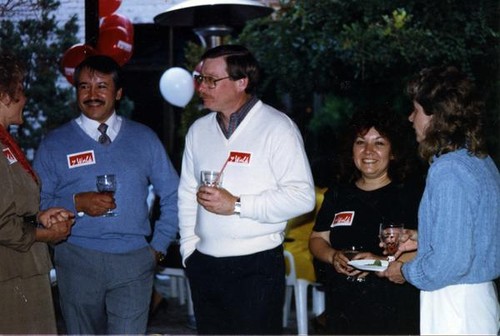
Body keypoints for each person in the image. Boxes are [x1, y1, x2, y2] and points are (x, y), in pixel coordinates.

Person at [33, 55, 179, 334]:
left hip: (134, 260)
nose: (92, 94)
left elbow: (173, 193)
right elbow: (36, 203)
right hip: (76, 258)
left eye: (102, 86)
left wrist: (157, 249)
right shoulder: (54, 144)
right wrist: (76, 203)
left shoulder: (144, 138)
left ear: (118, 93)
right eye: (84, 86)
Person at [178, 44, 315, 335]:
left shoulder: (278, 128)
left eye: (212, 80)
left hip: (257, 266)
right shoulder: (198, 131)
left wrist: (238, 205)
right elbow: (187, 195)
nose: (202, 86)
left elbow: (302, 197)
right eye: (201, 78)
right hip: (204, 264)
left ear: (242, 82)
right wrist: (190, 250)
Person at [382, 66, 500, 334]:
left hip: (455, 306)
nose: (411, 118)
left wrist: (405, 271)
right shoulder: (478, 159)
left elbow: (451, 263)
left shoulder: (448, 170)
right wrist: (424, 237)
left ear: (436, 115)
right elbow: (474, 236)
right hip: (474, 301)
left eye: (416, 110)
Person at [308, 107, 423, 335]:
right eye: (361, 142)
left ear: (393, 152)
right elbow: (317, 239)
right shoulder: (339, 193)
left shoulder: (411, 194)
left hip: (393, 311)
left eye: (379, 143)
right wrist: (333, 256)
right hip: (343, 310)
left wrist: (377, 262)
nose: (368, 151)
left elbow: (424, 250)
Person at [0, 51, 75, 333]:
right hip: (11, 280)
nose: (26, 99)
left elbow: (10, 212)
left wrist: (39, 217)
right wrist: (49, 234)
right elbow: (2, 225)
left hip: (20, 273)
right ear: (5, 95)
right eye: (20, 91)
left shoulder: (5, 142)